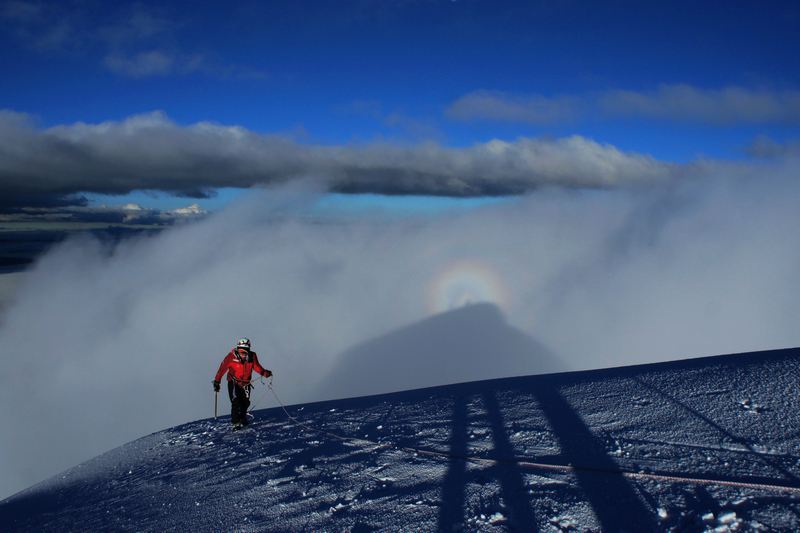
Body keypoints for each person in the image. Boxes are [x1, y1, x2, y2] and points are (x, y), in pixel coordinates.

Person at [213, 338, 273, 429]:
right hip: (233, 382)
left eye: (245, 352)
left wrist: (264, 372)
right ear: (238, 349)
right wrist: (217, 382)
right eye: (241, 352)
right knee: (236, 401)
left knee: (246, 401)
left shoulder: (252, 356)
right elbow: (222, 369)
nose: (243, 354)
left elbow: (256, 366)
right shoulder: (230, 357)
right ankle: (236, 423)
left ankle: (242, 416)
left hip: (246, 383)